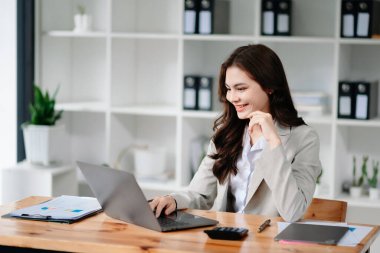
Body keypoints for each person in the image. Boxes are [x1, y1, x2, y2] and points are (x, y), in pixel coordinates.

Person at [149, 44, 322, 222]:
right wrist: (173, 200)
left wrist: (272, 143)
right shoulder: (227, 132)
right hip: (226, 240)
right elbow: (200, 193)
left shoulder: (304, 139)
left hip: (268, 244)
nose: (232, 97)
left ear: (269, 87)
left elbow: (293, 211)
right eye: (228, 89)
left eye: (241, 88)